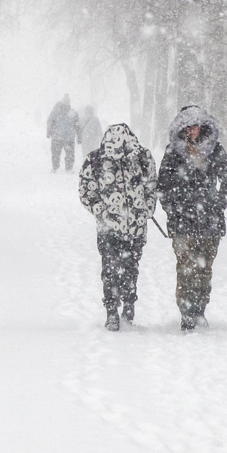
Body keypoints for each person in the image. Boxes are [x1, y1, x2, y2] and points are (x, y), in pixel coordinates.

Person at [157, 104, 227, 331]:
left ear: (203, 127)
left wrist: (217, 205)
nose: (192, 130)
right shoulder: (173, 153)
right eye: (188, 127)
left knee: (204, 269)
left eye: (196, 126)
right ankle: (187, 313)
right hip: (183, 222)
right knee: (186, 268)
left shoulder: (215, 151)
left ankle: (200, 309)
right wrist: (174, 210)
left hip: (210, 223)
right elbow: (163, 186)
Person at [78, 123, 157, 331]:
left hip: (136, 228)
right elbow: (86, 191)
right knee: (110, 269)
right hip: (108, 229)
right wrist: (102, 212)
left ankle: (129, 305)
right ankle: (112, 311)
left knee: (131, 269)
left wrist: (147, 209)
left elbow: (151, 185)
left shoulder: (142, 157)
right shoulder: (95, 160)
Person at [46, 95, 80, 172]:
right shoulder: (72, 112)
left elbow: (50, 122)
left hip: (57, 137)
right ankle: (67, 168)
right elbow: (77, 125)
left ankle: (56, 167)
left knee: (56, 153)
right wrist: (79, 136)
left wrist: (49, 132)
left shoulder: (56, 112)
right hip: (67, 138)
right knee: (69, 154)